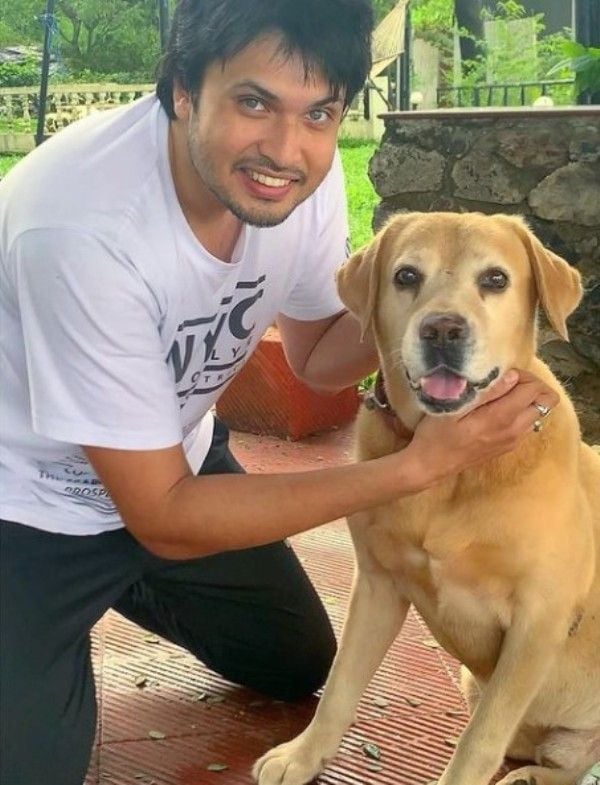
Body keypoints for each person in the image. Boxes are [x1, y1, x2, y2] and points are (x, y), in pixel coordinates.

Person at [0, 1, 558, 783]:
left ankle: (126, 586)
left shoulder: (293, 180)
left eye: (319, 112)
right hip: (29, 509)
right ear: (184, 90)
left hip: (173, 464)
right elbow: (162, 515)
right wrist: (414, 466)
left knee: (295, 658)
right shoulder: (80, 229)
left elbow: (319, 359)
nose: (286, 148)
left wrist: (423, 298)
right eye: (254, 102)